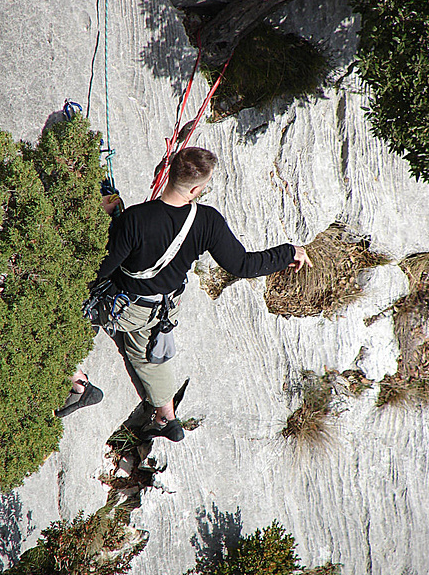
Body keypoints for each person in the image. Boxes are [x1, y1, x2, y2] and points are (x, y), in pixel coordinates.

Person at [96, 147, 312, 441]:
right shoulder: (207, 221)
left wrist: (111, 222)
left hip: (128, 308)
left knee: (121, 336)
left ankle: (89, 387)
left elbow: (103, 268)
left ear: (167, 172)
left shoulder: (135, 218)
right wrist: (287, 252)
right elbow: (243, 264)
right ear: (197, 189)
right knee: (147, 356)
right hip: (165, 308)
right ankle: (166, 417)